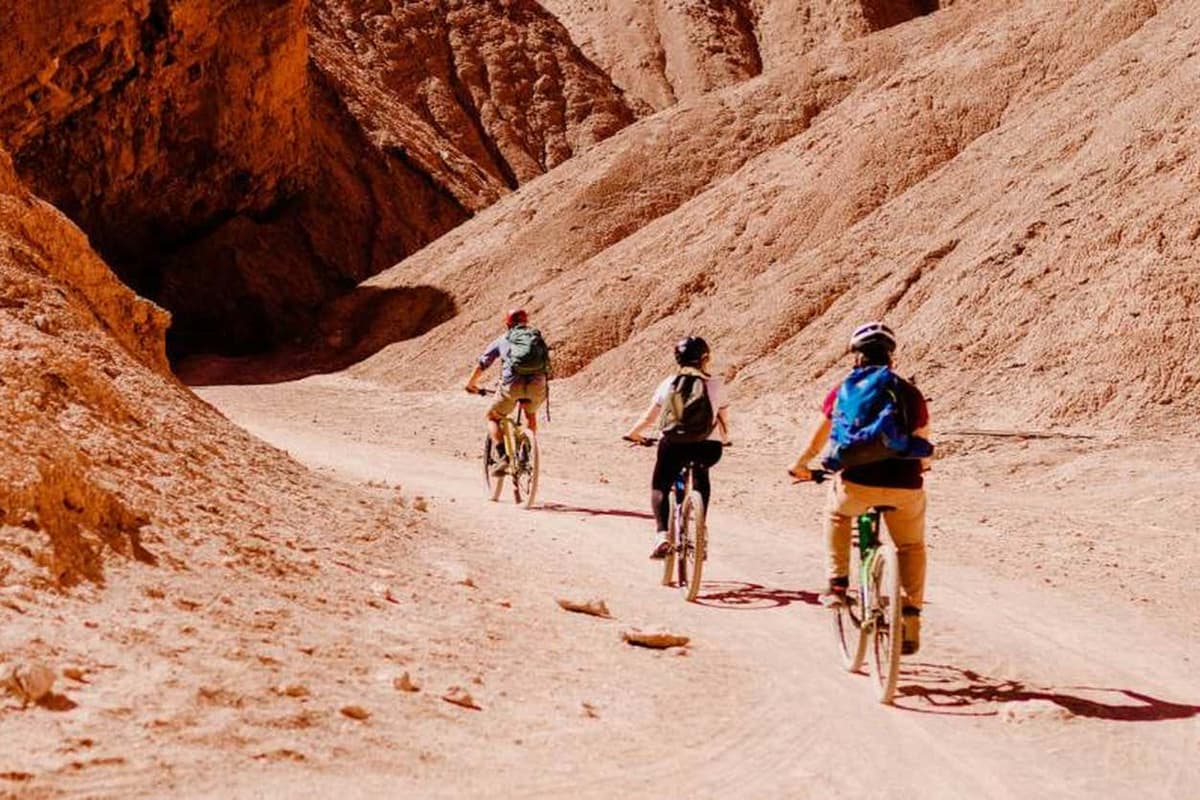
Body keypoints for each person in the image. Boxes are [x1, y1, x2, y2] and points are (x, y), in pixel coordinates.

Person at [788, 322, 930, 654]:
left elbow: (821, 434)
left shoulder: (844, 390)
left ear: (856, 357)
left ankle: (837, 585)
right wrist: (921, 467)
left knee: (836, 515)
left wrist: (801, 464)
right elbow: (923, 441)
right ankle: (911, 615)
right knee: (911, 546)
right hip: (905, 485)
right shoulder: (909, 392)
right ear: (891, 356)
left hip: (857, 483)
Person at [624, 336, 731, 559]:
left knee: (660, 485)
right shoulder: (716, 384)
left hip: (674, 446)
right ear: (705, 358)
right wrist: (726, 438)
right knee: (702, 476)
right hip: (707, 448)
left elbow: (650, 417)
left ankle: (662, 535)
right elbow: (724, 420)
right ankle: (700, 531)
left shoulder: (669, 384)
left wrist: (634, 433)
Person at [465, 309, 549, 475]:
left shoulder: (503, 339)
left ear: (507, 323)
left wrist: (471, 384)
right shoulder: (536, 339)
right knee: (530, 415)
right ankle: (525, 454)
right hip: (537, 386)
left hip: (511, 386)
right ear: (526, 321)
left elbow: (483, 364)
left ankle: (503, 456)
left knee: (493, 417)